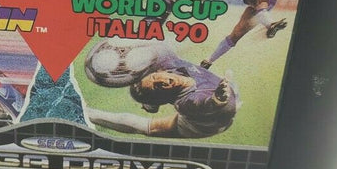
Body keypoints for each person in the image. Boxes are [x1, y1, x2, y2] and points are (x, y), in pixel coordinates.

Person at [86, 48, 238, 138]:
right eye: (159, 88)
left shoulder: (169, 64)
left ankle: (150, 102)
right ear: (167, 97)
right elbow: (203, 104)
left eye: (155, 78)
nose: (162, 82)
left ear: (158, 71)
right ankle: (88, 114)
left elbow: (150, 34)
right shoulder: (187, 102)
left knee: (149, 85)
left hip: (211, 99)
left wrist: (169, 4)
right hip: (206, 124)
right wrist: (217, 100)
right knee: (149, 127)